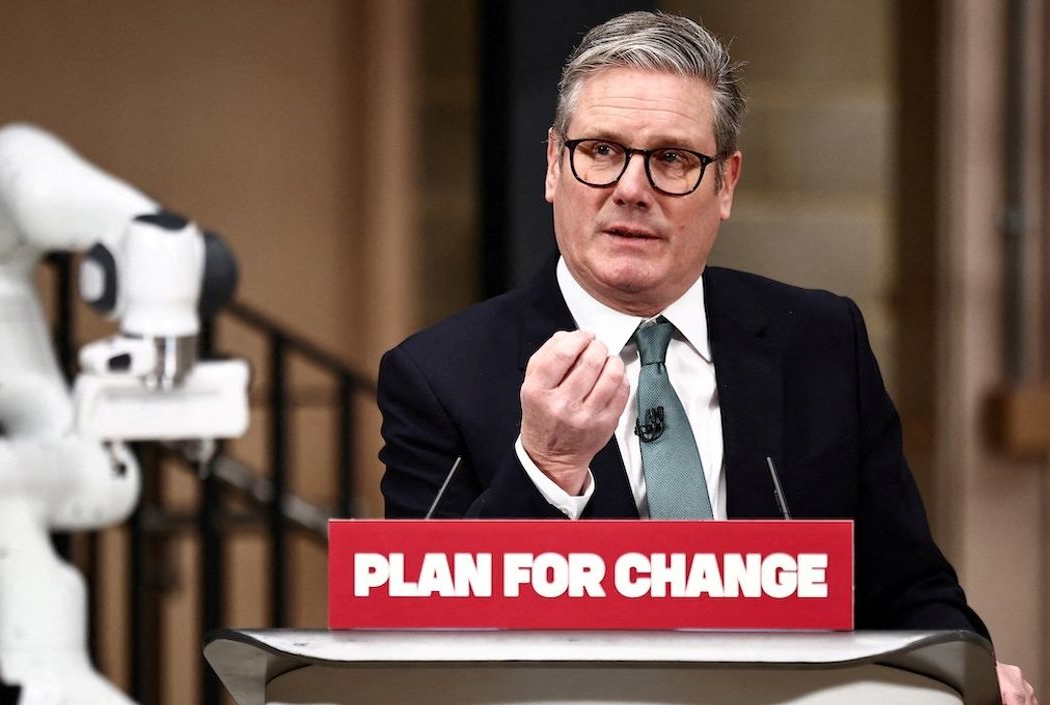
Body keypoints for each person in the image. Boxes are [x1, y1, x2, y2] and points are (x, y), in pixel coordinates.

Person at [377, 10, 1035, 704]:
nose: (632, 188)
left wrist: (962, 669)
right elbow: (422, 644)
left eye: (672, 159)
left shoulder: (820, 340)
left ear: (725, 184)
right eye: (600, 150)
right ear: (552, 166)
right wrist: (545, 469)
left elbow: (908, 586)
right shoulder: (439, 375)